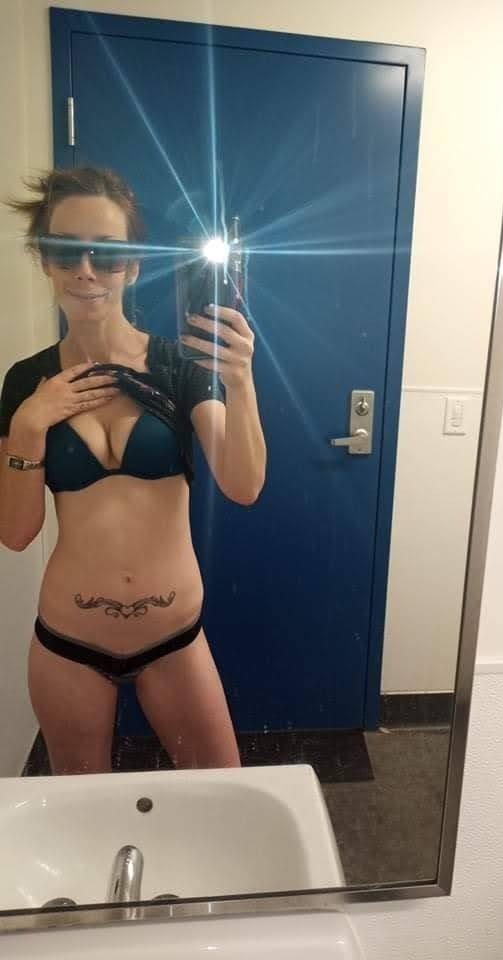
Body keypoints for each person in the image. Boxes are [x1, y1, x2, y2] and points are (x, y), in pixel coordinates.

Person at [0, 166, 266, 775]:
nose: (86, 270)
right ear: (45, 262)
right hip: (67, 643)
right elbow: (15, 532)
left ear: (134, 265)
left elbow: (243, 485)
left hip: (175, 639)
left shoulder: (177, 367)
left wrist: (241, 381)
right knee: (83, 810)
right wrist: (30, 425)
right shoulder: (26, 382)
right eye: (65, 251)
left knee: (219, 795)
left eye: (107, 253)